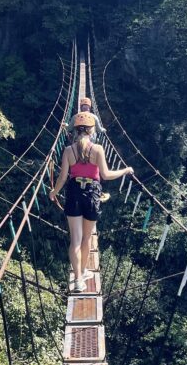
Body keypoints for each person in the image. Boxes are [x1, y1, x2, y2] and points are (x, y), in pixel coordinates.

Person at [49, 112, 132, 292]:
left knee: (75, 240)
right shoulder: (97, 149)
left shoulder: (68, 150)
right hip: (92, 194)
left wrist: (53, 193)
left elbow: (63, 177)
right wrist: (125, 170)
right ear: (92, 130)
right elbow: (106, 175)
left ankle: (78, 279)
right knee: (87, 238)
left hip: (73, 193)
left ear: (75, 131)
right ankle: (84, 271)